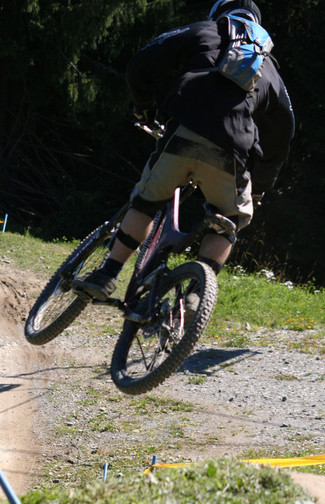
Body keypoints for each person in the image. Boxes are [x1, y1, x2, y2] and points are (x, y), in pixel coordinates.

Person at [73, 0, 294, 304]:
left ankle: (107, 274)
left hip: (184, 134)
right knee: (227, 222)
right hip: (232, 152)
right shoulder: (269, 67)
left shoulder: (204, 30)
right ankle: (195, 298)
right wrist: (260, 186)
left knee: (145, 203)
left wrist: (144, 108)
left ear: (219, 14)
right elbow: (283, 133)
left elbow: (141, 64)